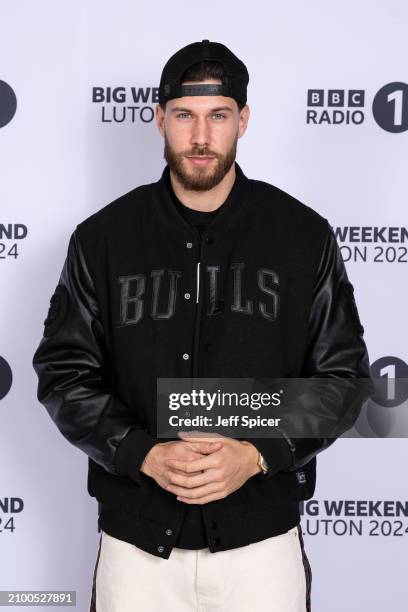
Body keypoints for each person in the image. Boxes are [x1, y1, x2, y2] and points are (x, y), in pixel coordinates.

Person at [32, 39, 372, 612]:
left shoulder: (301, 234)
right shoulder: (103, 238)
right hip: (138, 546)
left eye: (217, 117)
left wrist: (257, 452)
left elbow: (343, 379)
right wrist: (140, 451)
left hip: (260, 545)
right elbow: (64, 373)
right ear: (160, 118)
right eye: (184, 116)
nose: (200, 137)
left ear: (242, 120)